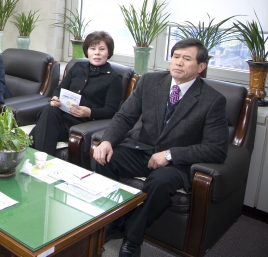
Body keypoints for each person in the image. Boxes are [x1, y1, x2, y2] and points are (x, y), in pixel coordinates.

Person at [92, 38, 228, 257]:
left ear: (201, 67)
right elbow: (125, 116)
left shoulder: (212, 100)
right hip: (142, 148)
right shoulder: (150, 81)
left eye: (187, 59)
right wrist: (107, 141)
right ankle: (114, 221)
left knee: (159, 182)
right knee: (103, 158)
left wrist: (170, 154)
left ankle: (132, 238)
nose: (179, 63)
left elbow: (217, 149)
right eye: (175, 57)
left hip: (176, 163)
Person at [30, 31, 123, 155]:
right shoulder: (78, 67)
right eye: (92, 48)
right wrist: (55, 98)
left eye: (102, 49)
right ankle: (43, 160)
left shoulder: (114, 78)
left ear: (109, 52)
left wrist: (89, 112)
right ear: (87, 51)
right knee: (49, 110)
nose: (97, 53)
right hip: (60, 117)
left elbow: (112, 110)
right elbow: (59, 89)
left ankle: (40, 160)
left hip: (82, 123)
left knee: (36, 133)